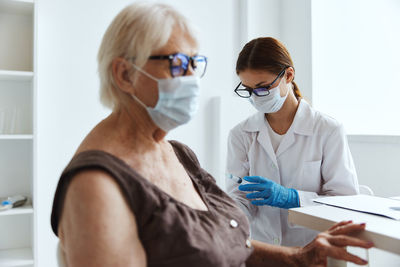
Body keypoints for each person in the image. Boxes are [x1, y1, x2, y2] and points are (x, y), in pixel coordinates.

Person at [50, 3, 372, 267]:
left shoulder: (178, 154)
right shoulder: (97, 184)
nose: (192, 80)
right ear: (124, 74)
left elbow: (221, 239)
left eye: (194, 63)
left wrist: (298, 257)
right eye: (177, 63)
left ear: (288, 76)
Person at [226, 37, 359, 247]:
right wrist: (222, 214)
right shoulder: (241, 134)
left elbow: (346, 201)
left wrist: (294, 198)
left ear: (288, 75)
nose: (255, 97)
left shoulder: (327, 130)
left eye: (262, 88)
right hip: (263, 249)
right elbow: (239, 198)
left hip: (314, 246)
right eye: (248, 90)